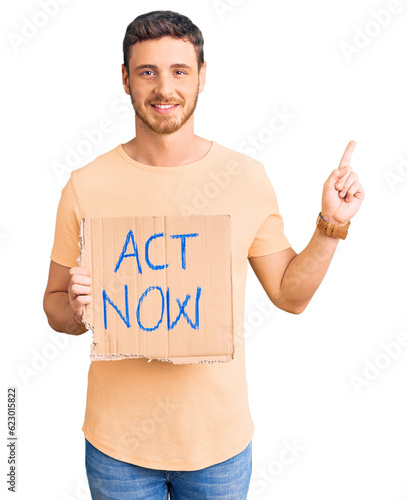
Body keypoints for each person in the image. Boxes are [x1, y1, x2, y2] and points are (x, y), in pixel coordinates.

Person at [43, 10, 364, 500]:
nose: (164, 88)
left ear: (202, 77)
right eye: (147, 71)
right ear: (125, 80)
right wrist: (76, 308)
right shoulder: (85, 186)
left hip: (219, 447)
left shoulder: (245, 177)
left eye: (179, 71)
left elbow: (290, 295)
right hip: (117, 449)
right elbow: (54, 308)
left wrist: (331, 224)